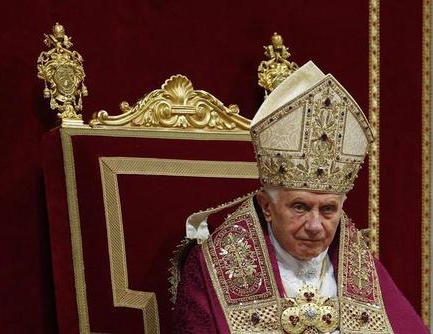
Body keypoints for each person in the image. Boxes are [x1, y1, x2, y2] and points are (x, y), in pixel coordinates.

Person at [172, 61, 429, 333]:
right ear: (266, 206)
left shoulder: (360, 268)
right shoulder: (212, 269)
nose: (315, 226)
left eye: (328, 209)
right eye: (300, 207)